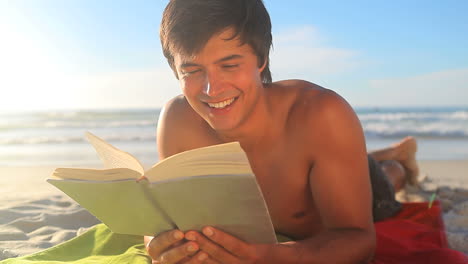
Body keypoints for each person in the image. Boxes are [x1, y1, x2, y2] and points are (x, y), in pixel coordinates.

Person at [145, 0, 420, 263]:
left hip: (346, 172)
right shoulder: (177, 123)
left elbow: (359, 240)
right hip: (325, 159)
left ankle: (399, 162)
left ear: (261, 59)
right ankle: (384, 154)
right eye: (192, 70)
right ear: (174, 70)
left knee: (385, 181)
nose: (211, 89)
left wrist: (265, 257)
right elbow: (164, 221)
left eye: (229, 65)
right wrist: (159, 245)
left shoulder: (321, 115)